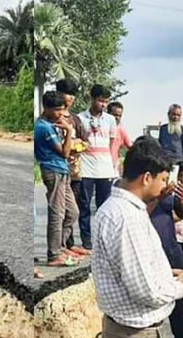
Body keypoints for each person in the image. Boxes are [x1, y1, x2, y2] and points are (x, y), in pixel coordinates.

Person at [92, 137, 183, 337]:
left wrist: (166, 275)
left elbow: (134, 270)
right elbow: (149, 292)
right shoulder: (126, 218)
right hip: (137, 332)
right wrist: (179, 285)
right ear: (147, 178)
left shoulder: (120, 208)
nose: (165, 186)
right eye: (163, 179)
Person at [35, 91, 80, 267]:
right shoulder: (44, 127)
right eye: (57, 111)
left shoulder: (52, 124)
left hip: (63, 171)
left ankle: (60, 247)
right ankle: (53, 255)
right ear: (46, 108)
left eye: (62, 110)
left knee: (72, 212)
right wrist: (68, 131)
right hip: (52, 171)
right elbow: (64, 152)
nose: (61, 114)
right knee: (57, 213)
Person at [77, 84, 117, 251]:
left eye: (106, 102)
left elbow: (113, 143)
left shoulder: (110, 119)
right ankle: (86, 240)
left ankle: (103, 239)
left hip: (105, 168)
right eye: (101, 101)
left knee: (104, 206)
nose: (103, 104)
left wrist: (113, 165)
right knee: (84, 205)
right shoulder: (80, 118)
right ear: (92, 99)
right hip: (86, 168)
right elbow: (77, 142)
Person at [55, 79, 90, 255]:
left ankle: (69, 244)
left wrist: (78, 145)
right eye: (68, 94)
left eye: (73, 95)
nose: (71, 98)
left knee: (73, 210)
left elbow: (86, 141)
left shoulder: (75, 119)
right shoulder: (54, 117)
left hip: (75, 171)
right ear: (59, 94)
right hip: (59, 169)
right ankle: (59, 246)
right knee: (60, 210)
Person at [150, 168, 183, 337]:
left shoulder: (167, 192)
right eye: (163, 178)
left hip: (172, 250)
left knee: (180, 310)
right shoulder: (131, 198)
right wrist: (157, 198)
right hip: (154, 256)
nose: (166, 182)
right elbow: (141, 214)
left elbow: (175, 215)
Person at [108, 101, 133, 176]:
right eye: (115, 115)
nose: (117, 118)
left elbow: (131, 147)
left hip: (113, 166)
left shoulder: (121, 129)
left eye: (119, 116)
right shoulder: (99, 127)